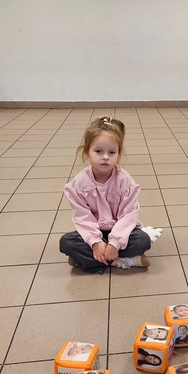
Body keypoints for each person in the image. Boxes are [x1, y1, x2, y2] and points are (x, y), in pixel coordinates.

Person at [59, 115, 151, 274]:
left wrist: (114, 243)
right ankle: (118, 262)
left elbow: (128, 216)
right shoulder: (79, 183)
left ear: (118, 154)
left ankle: (86, 259)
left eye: (112, 152)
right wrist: (96, 243)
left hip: (120, 231)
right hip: (94, 232)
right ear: (87, 152)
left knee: (142, 240)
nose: (105, 157)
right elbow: (82, 217)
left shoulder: (124, 181)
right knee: (67, 242)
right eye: (99, 151)